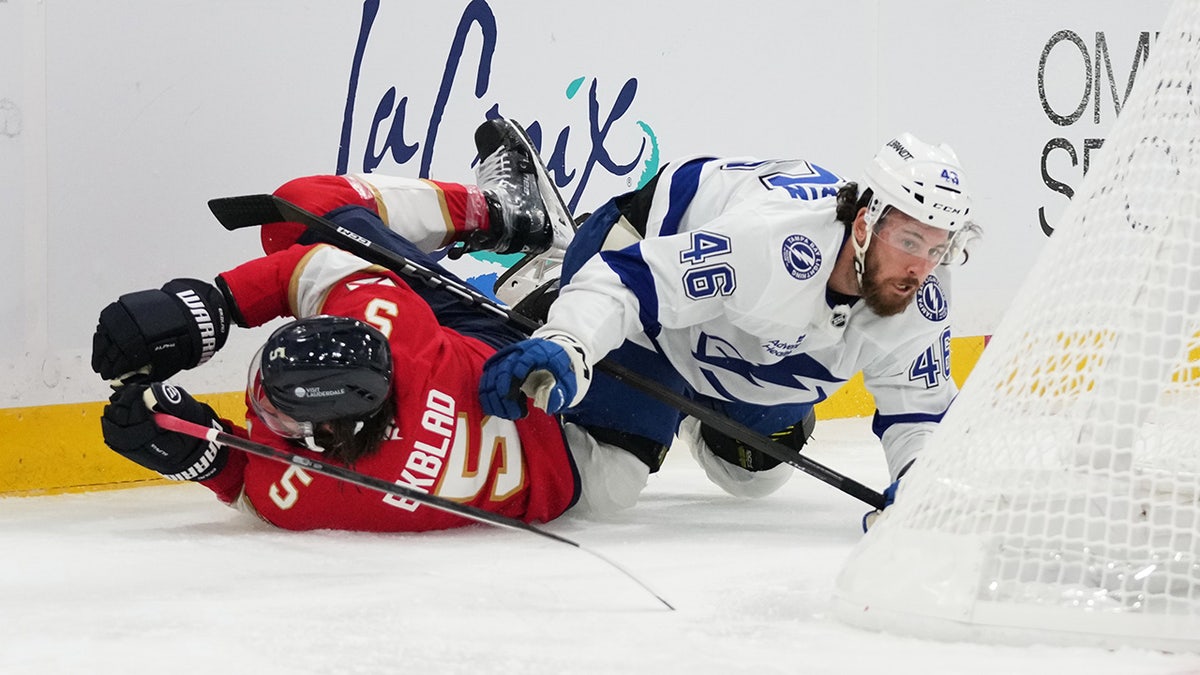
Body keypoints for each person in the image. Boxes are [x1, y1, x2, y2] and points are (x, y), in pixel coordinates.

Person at [90, 139, 647, 532]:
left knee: (306, 207)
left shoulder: (307, 496)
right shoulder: (393, 327)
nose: (262, 411)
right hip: (597, 443)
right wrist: (215, 309)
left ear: (330, 432)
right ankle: (525, 239)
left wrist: (207, 311)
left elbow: (247, 479)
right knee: (646, 288)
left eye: (280, 414)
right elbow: (312, 271)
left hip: (562, 441)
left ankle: (528, 254)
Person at [472, 119, 982, 521]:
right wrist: (567, 342)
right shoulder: (770, 246)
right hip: (640, 265)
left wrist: (919, 487)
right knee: (608, 485)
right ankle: (555, 266)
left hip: (736, 339)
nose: (920, 268)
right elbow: (628, 284)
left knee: (754, 476)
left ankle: (687, 404)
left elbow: (919, 412)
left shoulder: (922, 289)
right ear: (867, 221)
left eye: (938, 248)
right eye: (910, 242)